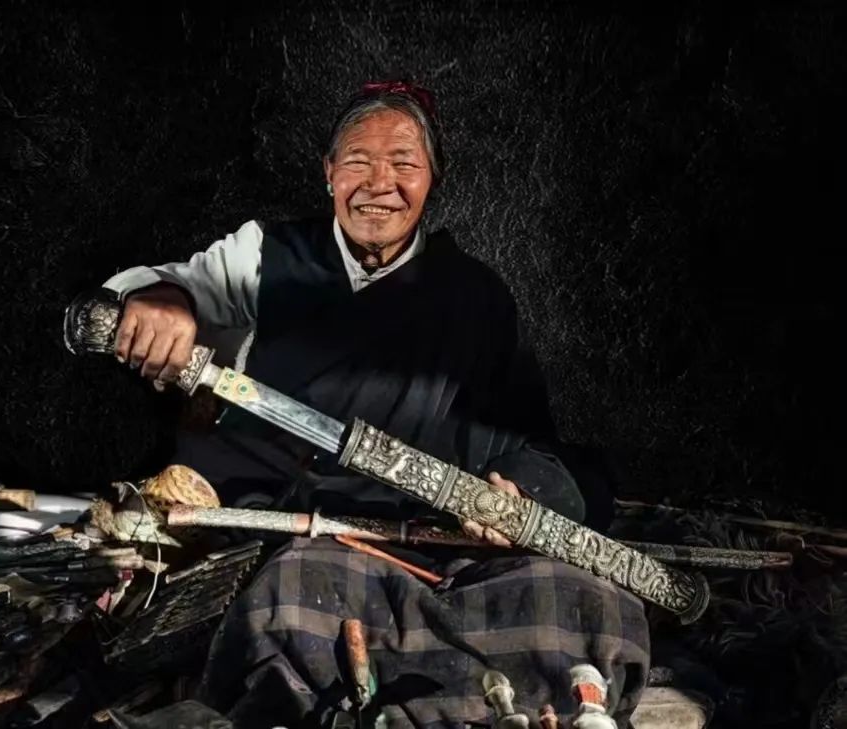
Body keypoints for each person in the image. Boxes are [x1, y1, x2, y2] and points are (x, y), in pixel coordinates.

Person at [102, 81, 649, 728]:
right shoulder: (266, 255)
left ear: (432, 179)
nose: (378, 183)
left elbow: (527, 438)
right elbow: (162, 287)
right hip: (303, 533)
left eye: (403, 163)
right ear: (329, 172)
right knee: (291, 599)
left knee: (588, 603)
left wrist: (520, 492)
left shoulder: (473, 295)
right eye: (357, 161)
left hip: (432, 536)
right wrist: (163, 300)